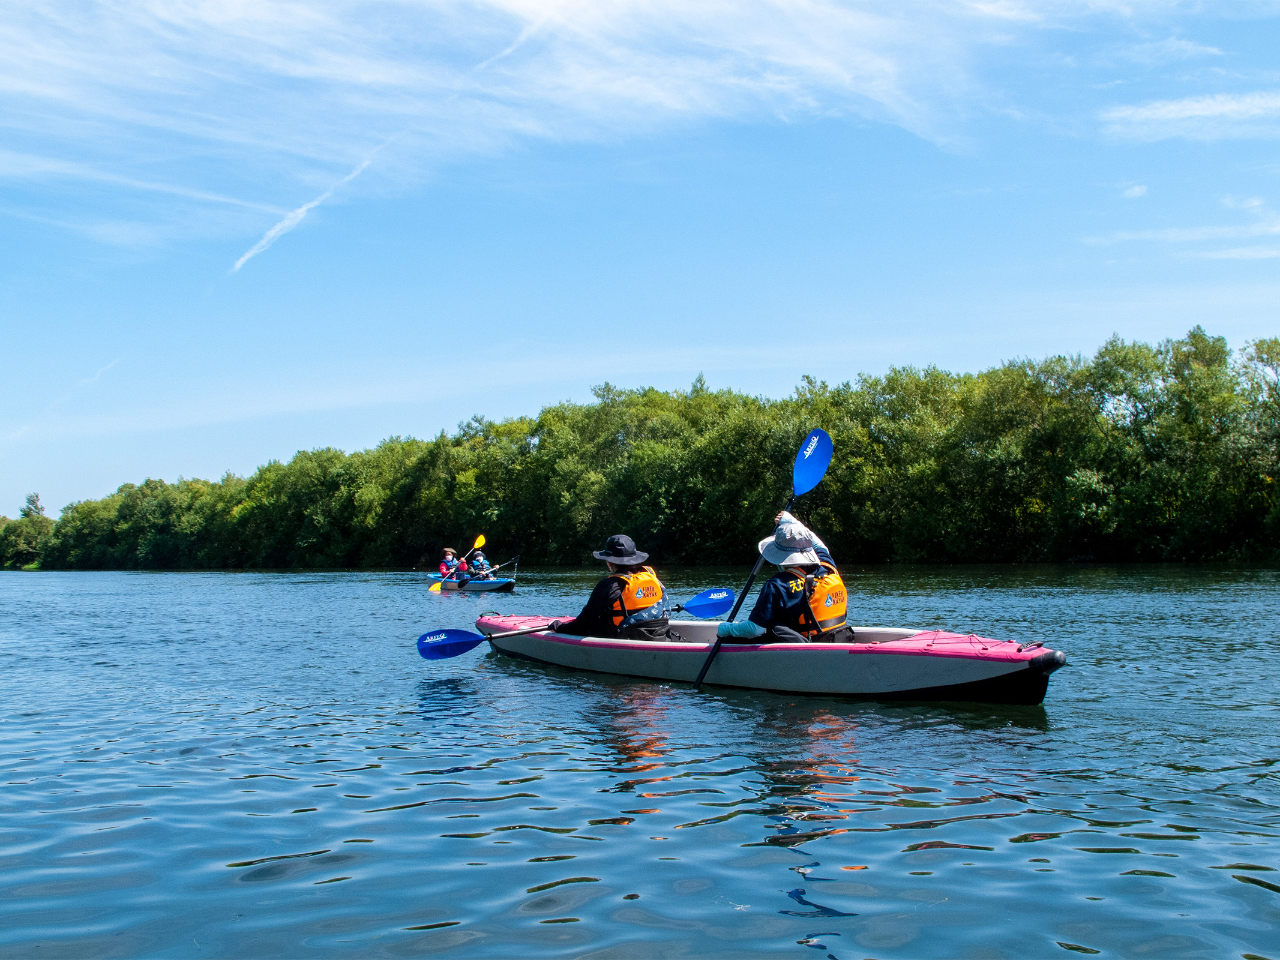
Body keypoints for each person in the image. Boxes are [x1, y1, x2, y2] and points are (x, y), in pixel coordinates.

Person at [715, 511, 853, 644]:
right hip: (839, 637)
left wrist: (724, 629)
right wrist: (790, 520)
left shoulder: (777, 585)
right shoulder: (828, 566)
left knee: (760, 630)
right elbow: (819, 545)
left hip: (808, 648)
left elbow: (754, 630)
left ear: (779, 556)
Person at [554, 535, 674, 641]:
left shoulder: (609, 585)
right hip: (659, 634)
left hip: (622, 640)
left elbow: (583, 624)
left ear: (609, 562)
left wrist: (558, 627)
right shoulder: (651, 575)